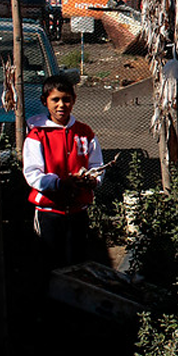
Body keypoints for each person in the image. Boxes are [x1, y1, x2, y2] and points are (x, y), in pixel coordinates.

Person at [23, 75, 103, 270]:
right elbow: (33, 174)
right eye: (55, 100)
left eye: (66, 99)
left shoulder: (85, 132)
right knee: (50, 263)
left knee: (78, 262)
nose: (61, 105)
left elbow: (96, 163)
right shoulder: (37, 135)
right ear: (45, 101)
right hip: (50, 212)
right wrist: (60, 183)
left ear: (74, 100)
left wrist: (94, 179)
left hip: (78, 211)